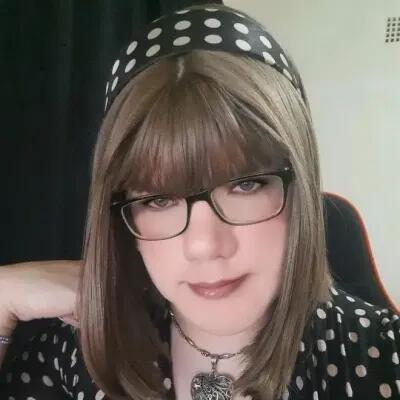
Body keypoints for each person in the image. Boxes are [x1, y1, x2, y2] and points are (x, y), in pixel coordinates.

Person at [0, 3, 399, 400]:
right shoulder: (80, 352)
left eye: (246, 185)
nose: (204, 245)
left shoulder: (382, 359)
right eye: (158, 199)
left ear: (301, 188)